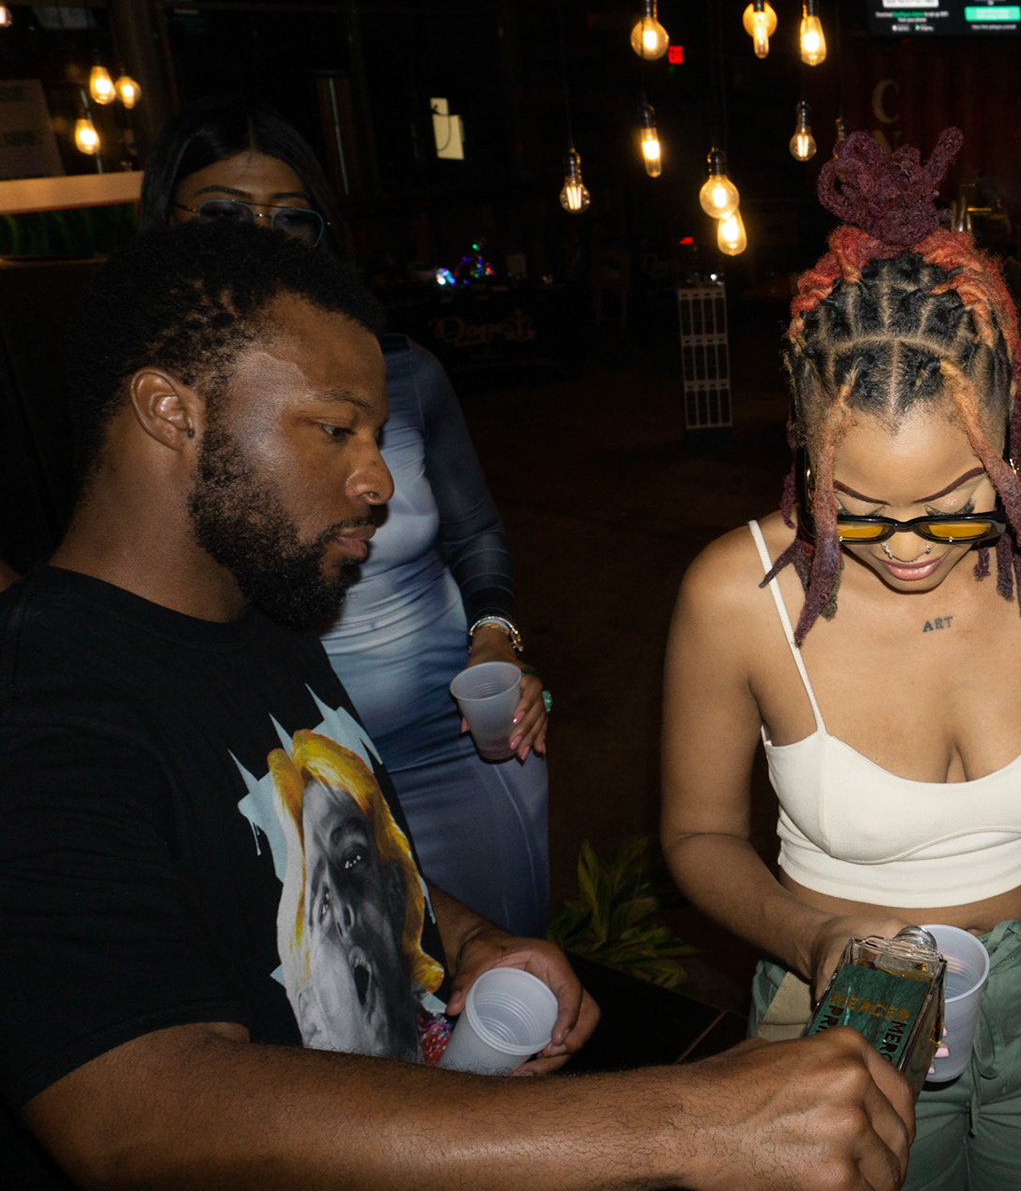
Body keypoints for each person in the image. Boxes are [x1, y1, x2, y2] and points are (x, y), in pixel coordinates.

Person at [0, 222, 916, 1188]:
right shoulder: (41, 701)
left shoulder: (262, 616)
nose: (380, 480)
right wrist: (696, 1122)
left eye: (378, 435)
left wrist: (467, 934)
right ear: (169, 411)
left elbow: (290, 866)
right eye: (336, 428)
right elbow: (130, 1113)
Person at [662, 129, 1021, 1191]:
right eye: (855, 510)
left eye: (956, 504)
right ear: (804, 453)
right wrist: (813, 938)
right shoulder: (735, 594)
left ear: (1013, 430)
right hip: (841, 999)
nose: (907, 549)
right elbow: (697, 836)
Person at [139, 97, 551, 937]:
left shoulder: (402, 375)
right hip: (296, 769)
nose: (261, 238)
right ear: (165, 222)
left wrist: (496, 638)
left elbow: (475, 532)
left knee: (506, 973)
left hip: (458, 742)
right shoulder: (155, 411)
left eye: (290, 217)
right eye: (224, 213)